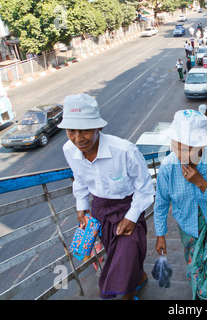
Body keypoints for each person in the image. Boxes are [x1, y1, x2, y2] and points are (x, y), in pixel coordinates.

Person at [58, 94, 155, 300]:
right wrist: (81, 206)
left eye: (84, 130)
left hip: (129, 208)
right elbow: (80, 179)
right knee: (116, 255)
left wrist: (131, 217)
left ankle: (125, 295)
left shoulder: (124, 151)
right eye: (71, 131)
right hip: (100, 211)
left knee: (124, 260)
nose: (78, 138)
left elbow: (145, 188)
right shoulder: (69, 149)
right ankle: (140, 278)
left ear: (98, 128)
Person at [154, 109, 207, 300]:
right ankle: (199, 292)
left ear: (202, 147)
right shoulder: (167, 168)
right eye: (176, 146)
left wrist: (202, 183)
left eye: (186, 148)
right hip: (188, 226)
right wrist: (160, 234)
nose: (180, 154)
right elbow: (162, 203)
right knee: (194, 264)